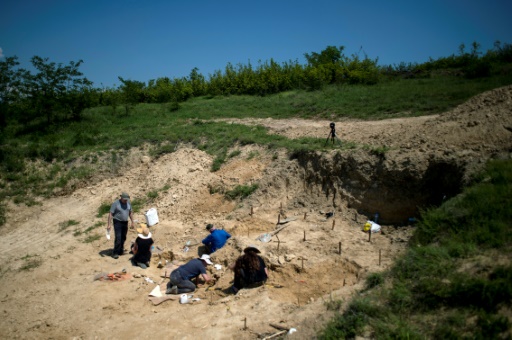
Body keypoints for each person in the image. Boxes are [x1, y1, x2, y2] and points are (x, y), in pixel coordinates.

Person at [107, 192, 134, 259]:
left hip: (125, 222)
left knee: (123, 237)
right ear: (121, 198)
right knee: (118, 237)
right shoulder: (116, 203)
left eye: (126, 199)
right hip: (117, 221)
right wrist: (109, 224)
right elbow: (111, 214)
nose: (125, 201)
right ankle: (115, 252)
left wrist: (132, 222)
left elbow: (130, 213)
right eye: (124, 199)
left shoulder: (128, 203)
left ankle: (120, 250)